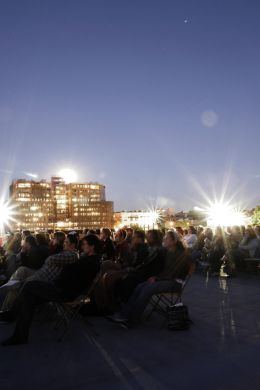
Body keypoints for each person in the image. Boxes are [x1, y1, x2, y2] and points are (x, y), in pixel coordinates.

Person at [0, 235, 100, 346]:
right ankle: (19, 335)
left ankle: (12, 316)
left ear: (92, 247)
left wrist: (62, 275)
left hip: (63, 292)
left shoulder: (90, 262)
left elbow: (73, 278)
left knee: (29, 285)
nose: (82, 246)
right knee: (29, 297)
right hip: (61, 288)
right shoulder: (88, 260)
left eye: (84, 244)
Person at [108, 230, 191, 327]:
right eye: (164, 238)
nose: (164, 240)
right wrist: (156, 277)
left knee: (147, 289)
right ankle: (125, 314)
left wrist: (157, 278)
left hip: (175, 283)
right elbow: (165, 270)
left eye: (167, 238)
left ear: (174, 241)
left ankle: (132, 319)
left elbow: (174, 273)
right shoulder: (169, 252)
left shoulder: (180, 254)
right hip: (166, 280)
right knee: (140, 286)